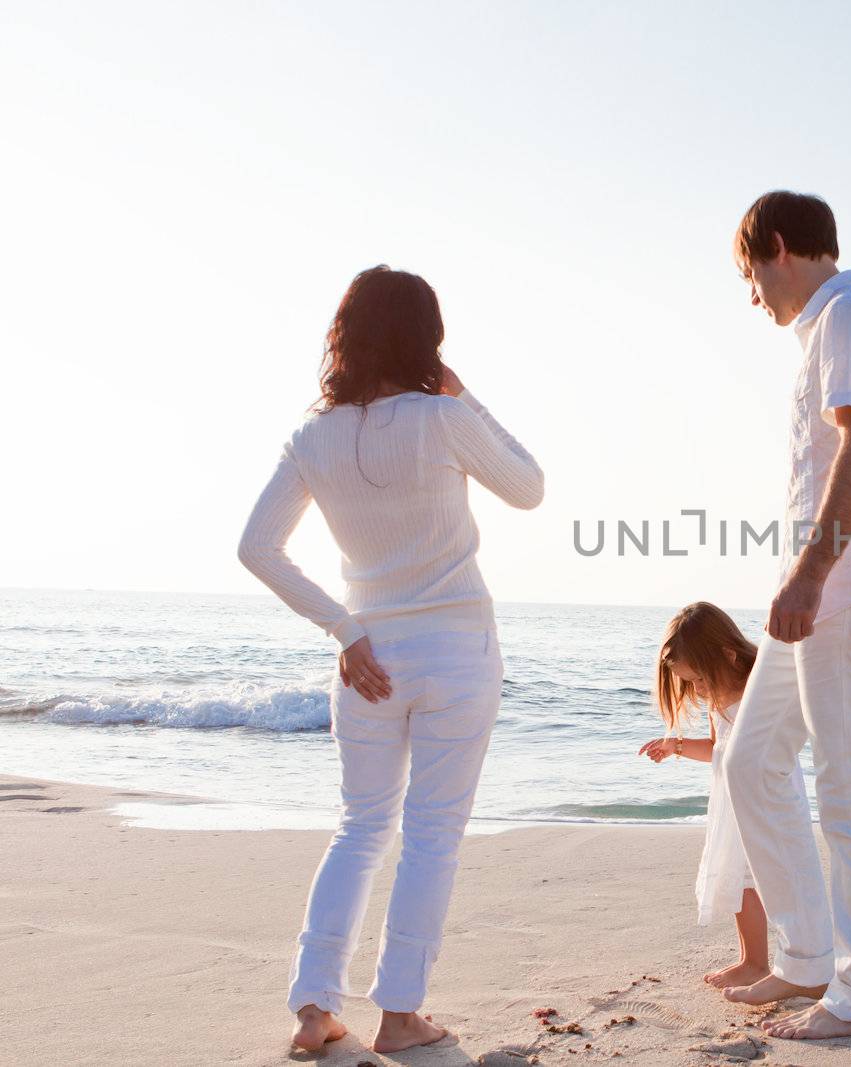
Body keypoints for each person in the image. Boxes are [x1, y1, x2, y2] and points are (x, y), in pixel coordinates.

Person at [237, 265, 544, 1054]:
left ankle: (314, 1008)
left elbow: (256, 549)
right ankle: (400, 1016)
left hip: (368, 657)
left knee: (360, 827)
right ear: (425, 338)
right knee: (431, 834)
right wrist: (463, 395)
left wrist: (344, 628)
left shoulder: (312, 436)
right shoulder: (441, 418)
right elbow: (529, 487)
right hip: (457, 650)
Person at [720, 191, 851, 1040]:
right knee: (752, 760)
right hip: (818, 593)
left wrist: (811, 574)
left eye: (750, 273)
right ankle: (807, 954)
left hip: (846, 590)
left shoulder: (848, 313)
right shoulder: (835, 325)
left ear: (778, 247)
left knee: (849, 790)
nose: (752, 295)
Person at [637, 602, 805, 990]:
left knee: (767, 877)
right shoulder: (718, 701)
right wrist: (676, 745)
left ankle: (790, 960)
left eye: (697, 679)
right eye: (689, 683)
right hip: (731, 799)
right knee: (737, 877)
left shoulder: (758, 689)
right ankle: (753, 960)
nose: (696, 689)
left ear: (727, 654)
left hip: (765, 795)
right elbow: (718, 748)